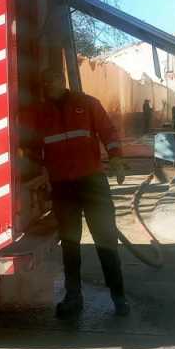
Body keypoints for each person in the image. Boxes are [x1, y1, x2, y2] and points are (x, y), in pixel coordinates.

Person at [29, 68, 130, 318]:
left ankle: (119, 297)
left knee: (105, 241)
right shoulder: (41, 113)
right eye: (44, 81)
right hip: (63, 186)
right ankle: (73, 297)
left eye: (51, 79)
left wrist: (116, 159)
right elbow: (33, 148)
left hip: (92, 183)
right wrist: (39, 174)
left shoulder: (86, 104)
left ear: (61, 80)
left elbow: (109, 132)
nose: (47, 84)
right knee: (70, 245)